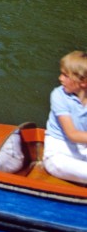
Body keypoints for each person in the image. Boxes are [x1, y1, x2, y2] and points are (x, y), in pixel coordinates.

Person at [44, 50, 87, 184]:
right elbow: (72, 134)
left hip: (83, 151)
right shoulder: (59, 95)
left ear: (83, 82)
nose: (60, 78)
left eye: (65, 75)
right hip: (57, 155)